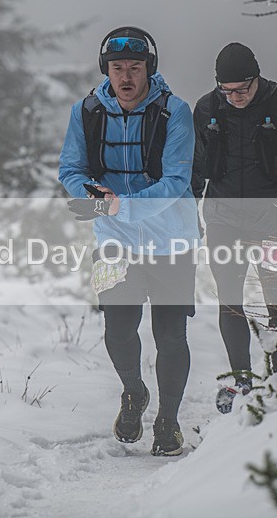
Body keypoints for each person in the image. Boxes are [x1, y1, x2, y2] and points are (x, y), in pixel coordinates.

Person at [58, 27, 198, 455]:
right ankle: (134, 392)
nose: (125, 76)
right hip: (112, 240)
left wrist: (121, 206)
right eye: (117, 68)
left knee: (170, 334)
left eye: (134, 67)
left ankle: (169, 422)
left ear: (148, 69)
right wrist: (92, 197)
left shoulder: (176, 112)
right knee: (117, 329)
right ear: (107, 70)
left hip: (173, 240)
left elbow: (176, 181)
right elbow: (70, 169)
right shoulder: (86, 112)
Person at [192, 42, 277, 414]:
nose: (234, 98)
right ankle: (240, 380)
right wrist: (189, 212)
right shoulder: (207, 108)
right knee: (229, 297)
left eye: (242, 90)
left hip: (274, 222)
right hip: (223, 219)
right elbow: (197, 167)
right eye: (226, 91)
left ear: (256, 78)